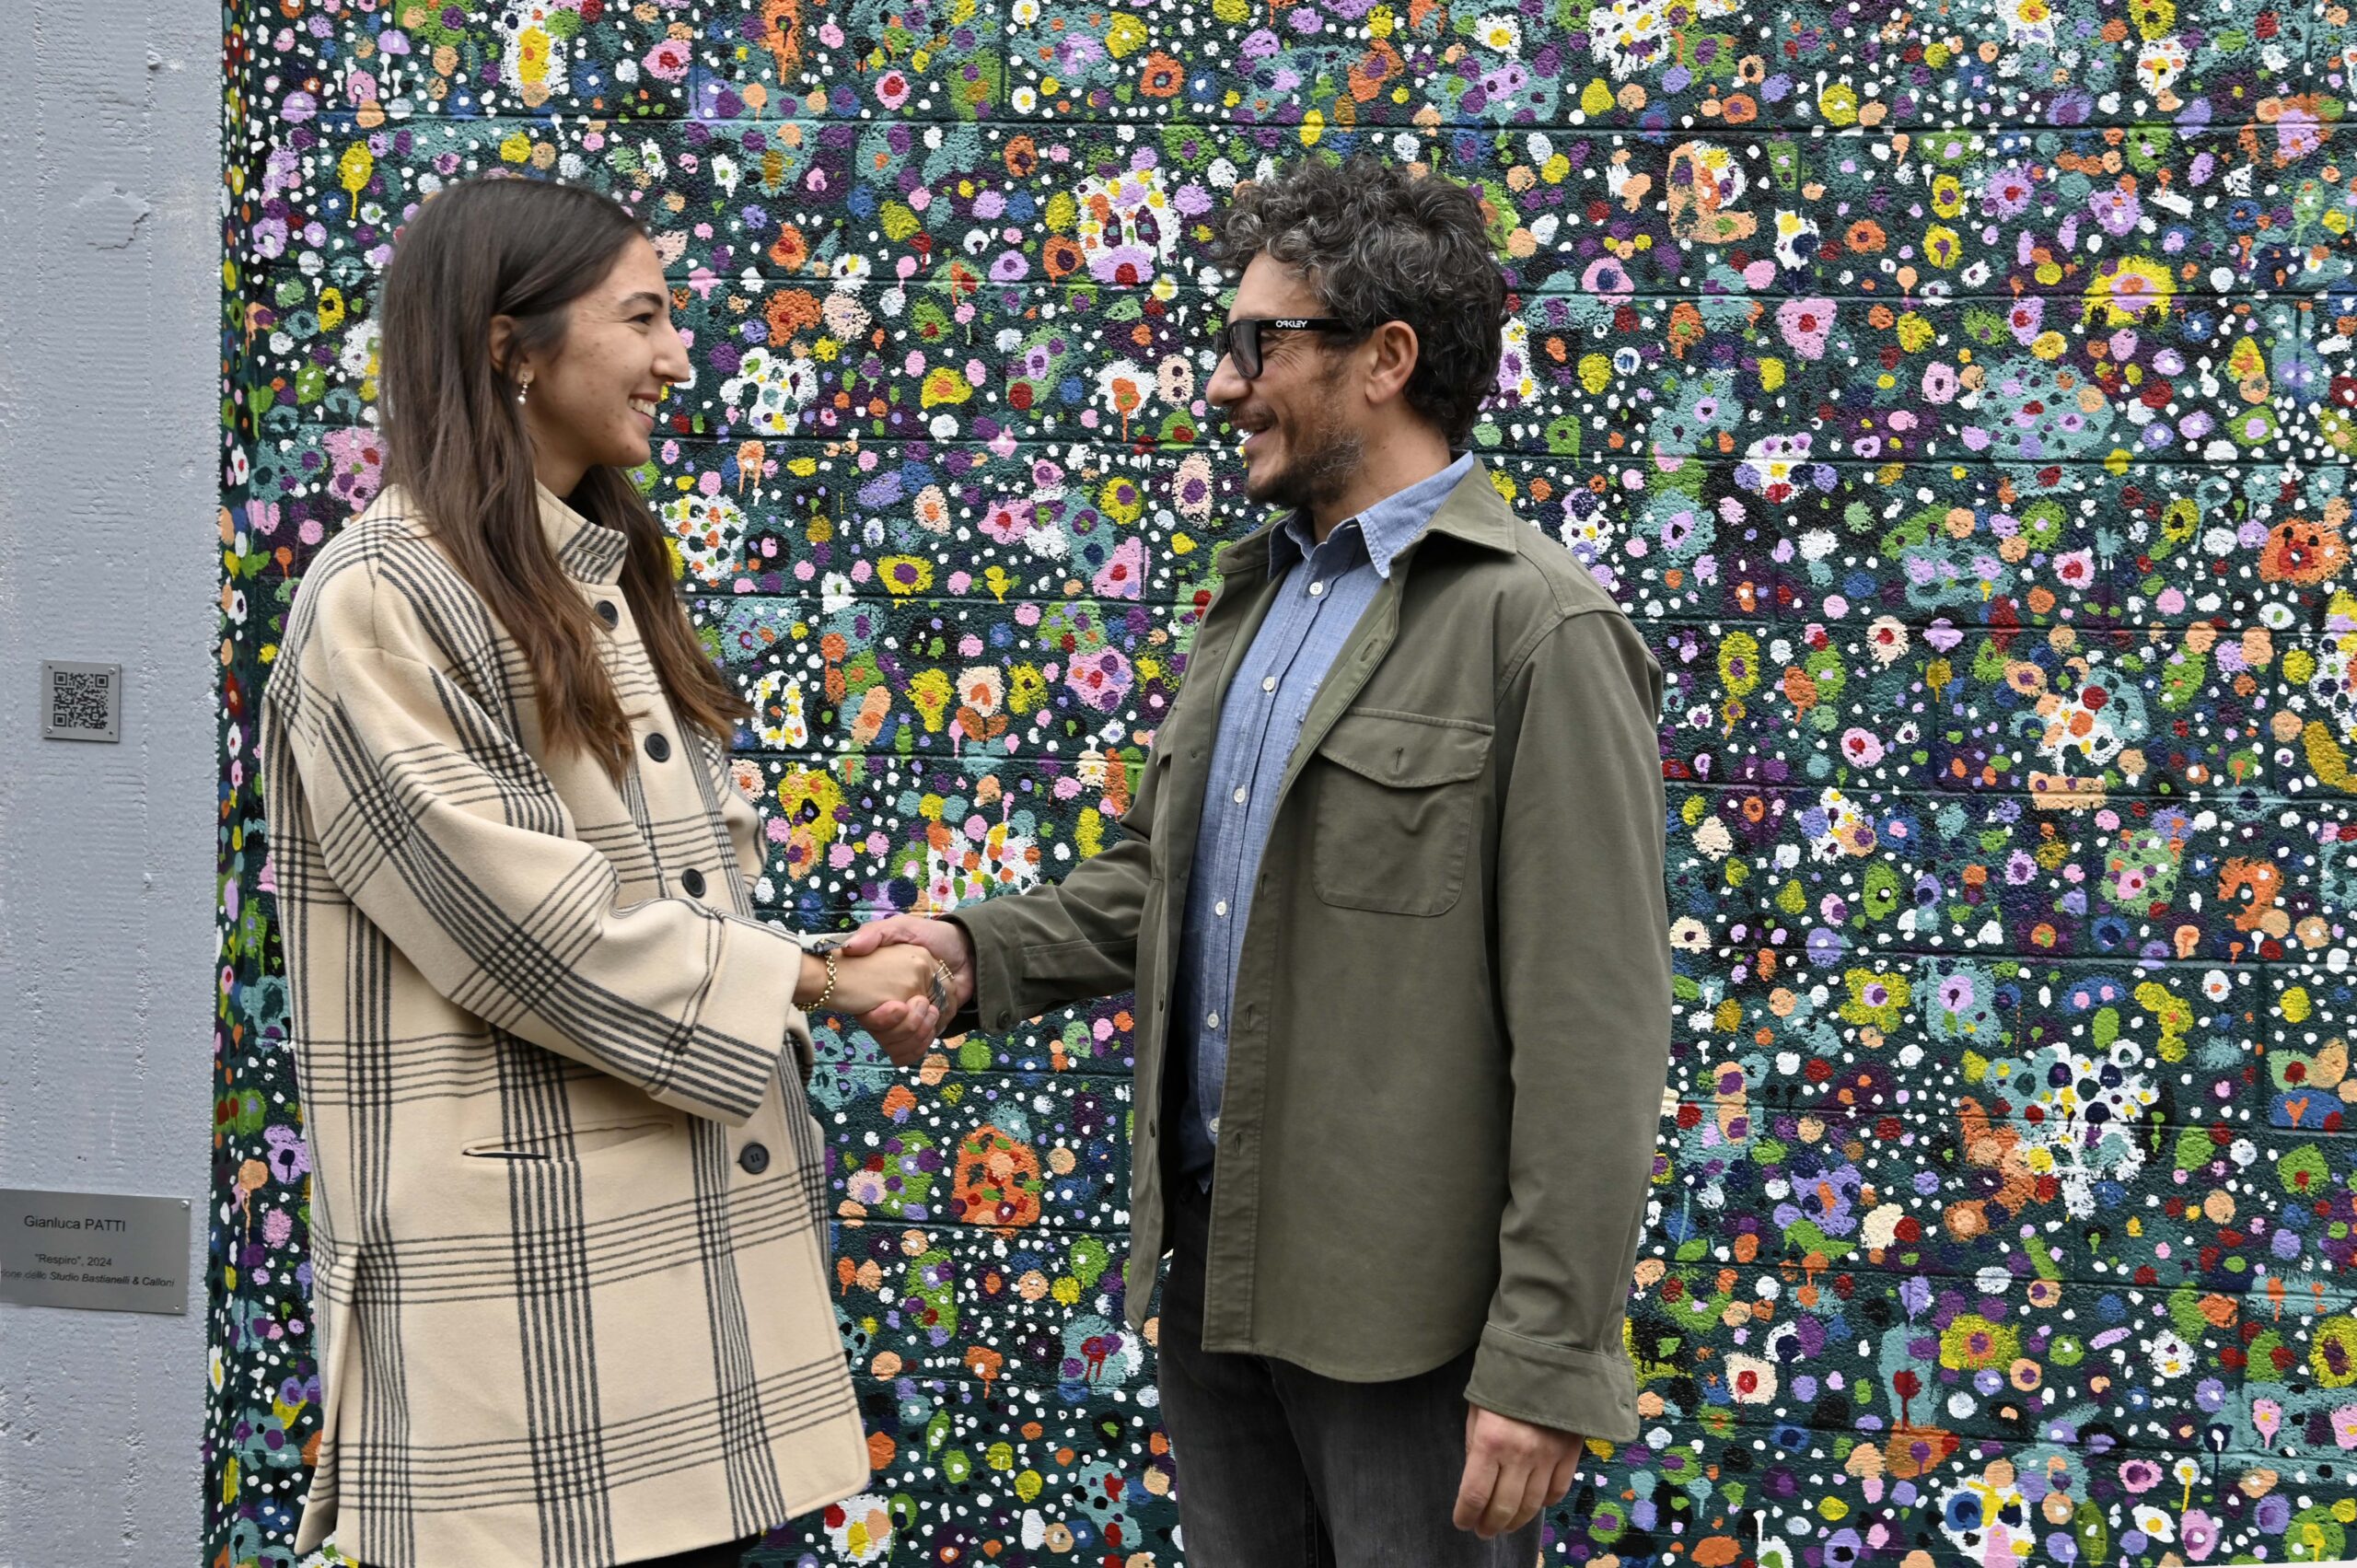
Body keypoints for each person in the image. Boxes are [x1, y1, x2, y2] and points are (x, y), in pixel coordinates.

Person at [841, 156, 1673, 1562]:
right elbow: (1167, 882)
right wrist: (974, 952)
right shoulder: (1258, 602)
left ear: (1385, 360)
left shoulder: (1537, 630)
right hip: (1217, 1283)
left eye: (1258, 342)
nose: (1223, 384)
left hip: (1409, 1329)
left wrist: (1544, 1357)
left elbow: (1593, 1031)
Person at [260, 176, 943, 1568]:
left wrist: (823, 966)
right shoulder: (382, 598)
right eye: (643, 317)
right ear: (508, 346)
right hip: (532, 1313)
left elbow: (673, 895)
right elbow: (531, 930)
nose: (678, 357)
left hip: (665, 1285)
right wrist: (817, 983)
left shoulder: (596, 572)